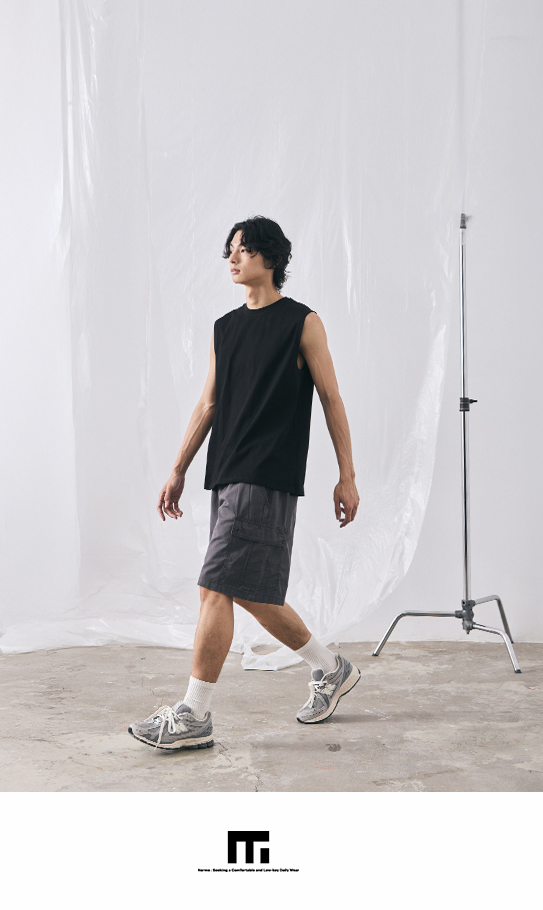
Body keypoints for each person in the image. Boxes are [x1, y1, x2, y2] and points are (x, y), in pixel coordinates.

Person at [129, 215, 360, 751]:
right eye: (229, 250)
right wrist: (179, 469)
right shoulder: (225, 328)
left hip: (268, 474)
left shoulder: (302, 323)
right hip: (227, 472)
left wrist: (346, 475)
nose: (232, 258)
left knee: (216, 587)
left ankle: (194, 714)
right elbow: (208, 404)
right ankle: (332, 668)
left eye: (244, 250)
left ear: (270, 257)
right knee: (250, 593)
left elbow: (331, 399)